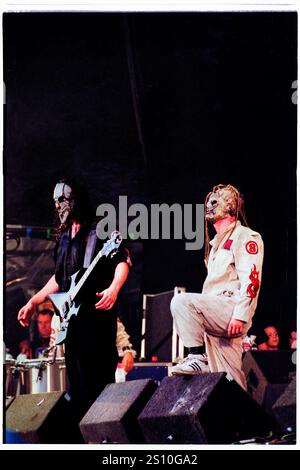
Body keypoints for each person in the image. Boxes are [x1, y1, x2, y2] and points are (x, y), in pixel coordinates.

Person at [18, 179, 131, 421]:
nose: (58, 206)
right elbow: (59, 279)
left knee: (99, 385)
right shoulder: (64, 238)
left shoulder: (98, 229)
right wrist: (33, 302)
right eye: (55, 201)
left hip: (97, 319)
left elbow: (121, 260)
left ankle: (104, 438)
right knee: (78, 390)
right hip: (73, 325)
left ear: (76, 200)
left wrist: (113, 288)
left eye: (63, 199)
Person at [171, 184, 264, 390]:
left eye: (215, 201)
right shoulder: (215, 245)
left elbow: (252, 279)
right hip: (217, 315)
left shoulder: (246, 236)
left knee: (181, 302)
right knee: (229, 380)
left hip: (230, 308)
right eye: (208, 201)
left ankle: (196, 355)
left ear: (230, 207)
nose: (209, 205)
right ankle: (243, 418)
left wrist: (240, 315)